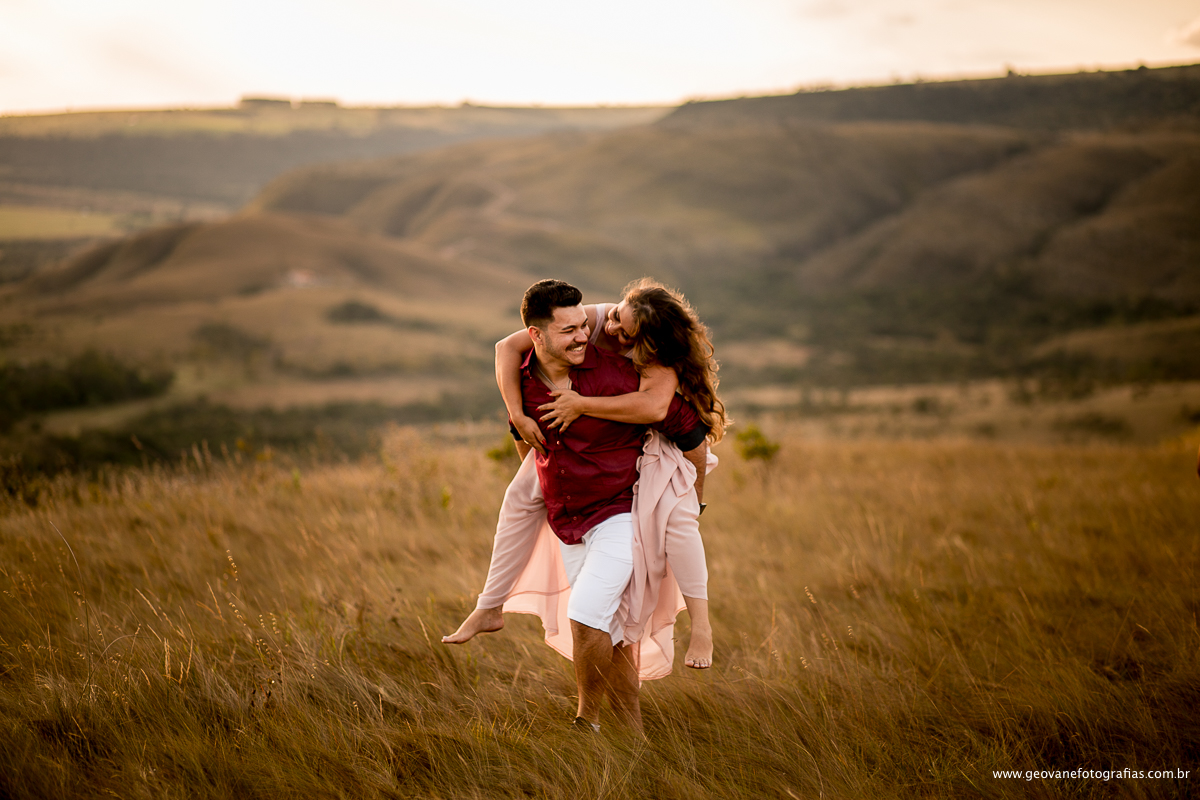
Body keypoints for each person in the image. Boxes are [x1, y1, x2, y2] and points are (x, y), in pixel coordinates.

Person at [460, 280, 709, 731]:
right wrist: (518, 417)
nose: (595, 333)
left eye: (585, 327)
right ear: (537, 336)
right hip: (569, 520)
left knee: (585, 613)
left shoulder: (625, 374)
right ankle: (631, 736)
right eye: (570, 330)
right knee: (609, 632)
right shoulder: (530, 371)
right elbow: (506, 355)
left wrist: (696, 501)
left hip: (621, 515)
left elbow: (677, 421)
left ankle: (585, 722)